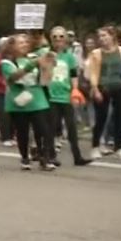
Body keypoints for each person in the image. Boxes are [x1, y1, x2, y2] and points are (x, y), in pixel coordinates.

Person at [0, 34, 56, 170]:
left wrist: (48, 65)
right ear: (12, 46)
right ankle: (25, 157)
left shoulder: (33, 58)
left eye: (26, 42)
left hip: (37, 97)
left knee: (43, 129)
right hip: (20, 100)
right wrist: (31, 66)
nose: (24, 44)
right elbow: (13, 78)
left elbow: (45, 79)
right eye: (20, 42)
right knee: (22, 131)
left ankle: (45, 157)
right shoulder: (7, 62)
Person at [85, 26, 121, 161]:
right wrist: (95, 88)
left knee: (120, 118)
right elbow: (93, 73)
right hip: (103, 87)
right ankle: (95, 146)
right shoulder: (96, 53)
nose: (102, 39)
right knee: (101, 118)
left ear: (112, 36)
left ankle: (119, 147)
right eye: (100, 36)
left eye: (105, 35)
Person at [47, 27, 90, 166]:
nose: (58, 40)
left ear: (65, 39)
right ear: (51, 39)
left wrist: (75, 90)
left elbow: (73, 75)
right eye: (55, 37)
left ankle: (77, 157)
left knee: (72, 128)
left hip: (66, 96)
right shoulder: (48, 55)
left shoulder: (69, 57)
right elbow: (44, 75)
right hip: (52, 97)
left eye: (61, 37)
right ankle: (50, 156)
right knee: (52, 128)